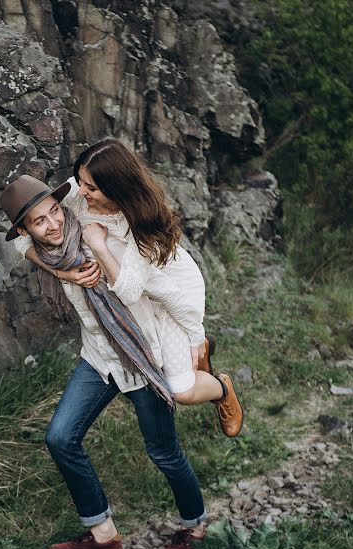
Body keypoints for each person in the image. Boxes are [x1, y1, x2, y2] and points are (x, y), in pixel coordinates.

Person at [0, 173, 227, 549]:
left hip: (142, 357)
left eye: (55, 212)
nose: (53, 224)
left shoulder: (100, 229)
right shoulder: (47, 250)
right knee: (60, 438)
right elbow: (21, 246)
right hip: (99, 357)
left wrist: (193, 337)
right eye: (39, 221)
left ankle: (195, 524)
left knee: (163, 452)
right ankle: (103, 534)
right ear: (25, 228)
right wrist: (60, 272)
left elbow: (89, 178)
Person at [15, 138, 243, 437]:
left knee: (182, 390)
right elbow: (23, 239)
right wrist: (63, 273)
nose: (80, 191)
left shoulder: (141, 225)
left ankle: (222, 389)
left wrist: (195, 336)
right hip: (142, 298)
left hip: (171, 295)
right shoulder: (79, 191)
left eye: (90, 188)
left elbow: (132, 290)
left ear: (116, 189)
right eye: (80, 181)